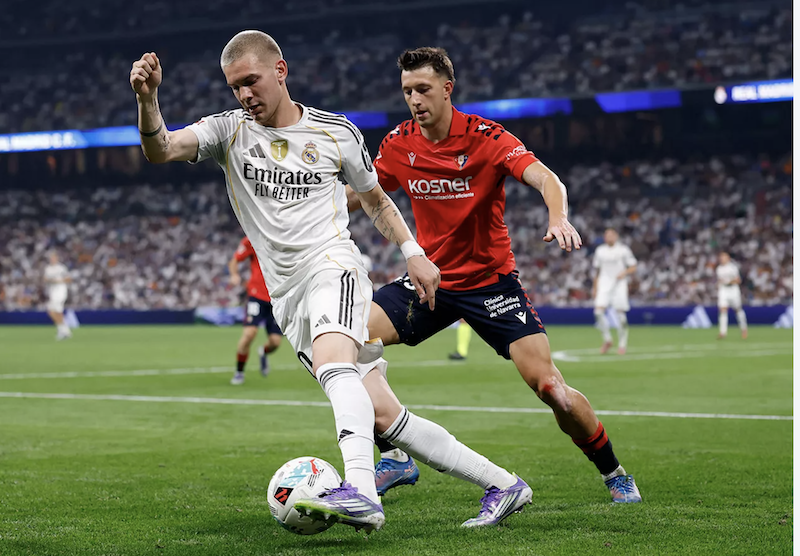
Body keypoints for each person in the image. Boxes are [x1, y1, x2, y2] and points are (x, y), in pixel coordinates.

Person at [129, 30, 445, 533]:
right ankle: (502, 483)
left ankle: (362, 491)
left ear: (280, 71)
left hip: (333, 266)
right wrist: (149, 102)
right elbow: (161, 149)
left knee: (333, 368)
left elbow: (378, 200)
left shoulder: (335, 131)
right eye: (235, 87)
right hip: (287, 292)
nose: (244, 94)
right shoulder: (228, 130)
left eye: (251, 81)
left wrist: (412, 252)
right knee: (383, 414)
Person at [349, 47, 642, 505]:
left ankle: (614, 472)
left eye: (423, 89)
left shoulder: (486, 137)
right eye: (407, 91)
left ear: (448, 89)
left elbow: (547, 178)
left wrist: (558, 217)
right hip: (432, 282)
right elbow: (362, 194)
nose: (414, 100)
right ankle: (393, 457)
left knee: (552, 390)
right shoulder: (399, 144)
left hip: (491, 284)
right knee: (346, 344)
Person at [227, 236, 283, 385]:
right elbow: (234, 260)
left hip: (277, 297)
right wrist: (234, 275)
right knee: (249, 333)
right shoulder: (252, 237)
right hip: (256, 295)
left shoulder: (283, 235)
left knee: (275, 342)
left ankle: (263, 352)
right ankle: (239, 372)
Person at [592, 228, 637, 355]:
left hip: (619, 284)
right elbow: (597, 271)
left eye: (611, 235)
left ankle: (622, 344)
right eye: (606, 235)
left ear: (616, 236)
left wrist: (624, 272)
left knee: (621, 317)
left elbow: (633, 266)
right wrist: (595, 288)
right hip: (604, 284)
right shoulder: (600, 251)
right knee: (598, 312)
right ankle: (607, 339)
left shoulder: (623, 250)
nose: (609, 237)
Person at [715, 252, 748, 339]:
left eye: (723, 257)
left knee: (737, 310)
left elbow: (738, 280)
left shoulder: (733, 268)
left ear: (728, 258)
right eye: (720, 257)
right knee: (722, 310)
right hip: (723, 290)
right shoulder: (719, 269)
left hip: (733, 290)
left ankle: (743, 328)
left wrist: (728, 282)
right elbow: (720, 280)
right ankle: (723, 332)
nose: (721, 259)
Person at [43, 251, 72, 340]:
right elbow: (45, 279)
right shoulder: (48, 268)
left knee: (54, 311)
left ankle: (63, 330)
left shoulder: (61, 268)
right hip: (52, 292)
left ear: (57, 258)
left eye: (54, 257)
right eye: (51, 258)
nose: (52, 259)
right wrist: (50, 281)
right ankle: (64, 330)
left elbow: (68, 279)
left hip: (61, 291)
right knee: (54, 312)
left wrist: (58, 281)